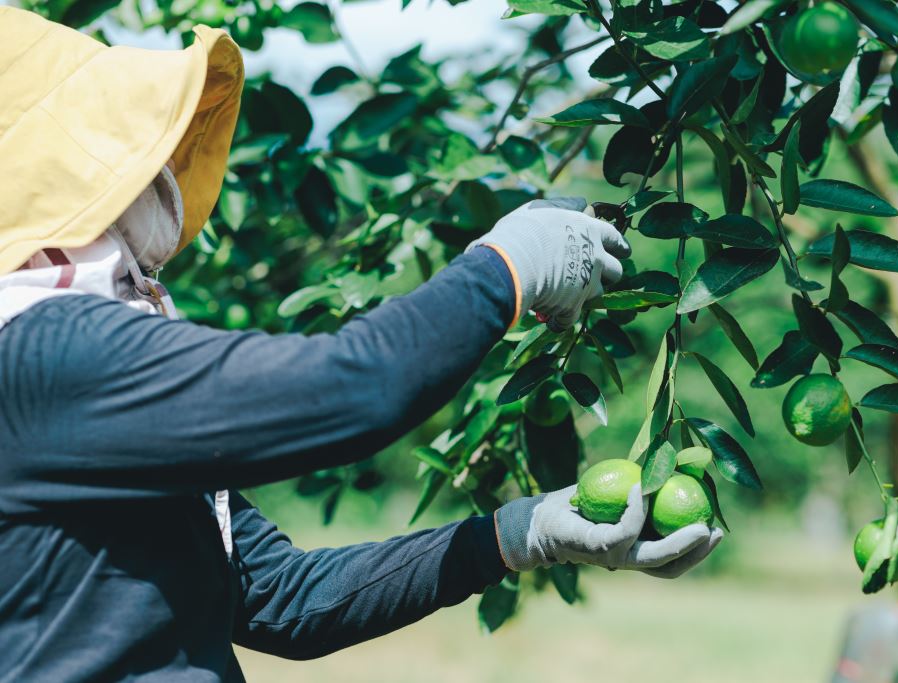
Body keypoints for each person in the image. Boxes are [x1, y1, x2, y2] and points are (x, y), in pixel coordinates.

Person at [0, 8, 723, 682]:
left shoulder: (66, 371)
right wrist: (509, 266)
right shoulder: (41, 352)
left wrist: (517, 534)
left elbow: (282, 599)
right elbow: (356, 386)